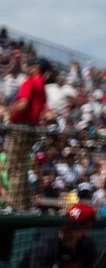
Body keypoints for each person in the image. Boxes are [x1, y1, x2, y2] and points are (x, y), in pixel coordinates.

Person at [5, 58, 50, 211]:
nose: (28, 67)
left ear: (37, 67)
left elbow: (22, 105)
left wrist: (7, 111)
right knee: (21, 169)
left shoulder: (30, 81)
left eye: (31, 65)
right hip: (31, 129)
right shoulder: (42, 87)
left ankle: (17, 207)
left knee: (14, 168)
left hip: (20, 129)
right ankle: (25, 205)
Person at [21, 203, 97, 268]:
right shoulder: (44, 246)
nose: (66, 231)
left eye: (73, 228)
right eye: (65, 225)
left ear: (86, 231)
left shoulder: (87, 246)